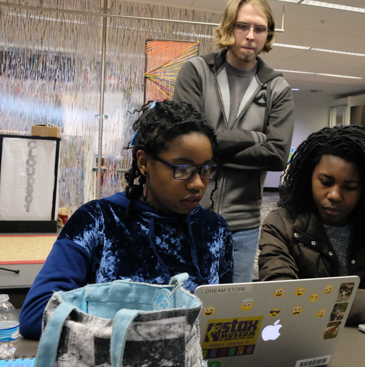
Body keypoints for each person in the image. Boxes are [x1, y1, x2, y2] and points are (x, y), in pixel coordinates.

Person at [20, 100, 233, 340]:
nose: (197, 183)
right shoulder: (96, 221)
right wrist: (139, 332)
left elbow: (223, 313)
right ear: (144, 163)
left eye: (206, 170)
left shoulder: (215, 230)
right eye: (182, 169)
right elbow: (36, 315)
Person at [172, 0, 294, 283]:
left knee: (232, 314)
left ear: (268, 34)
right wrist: (255, 138)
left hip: (243, 224)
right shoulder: (196, 72)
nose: (251, 35)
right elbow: (185, 140)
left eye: (259, 28)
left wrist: (211, 144)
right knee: (179, 302)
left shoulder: (277, 88)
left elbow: (277, 155)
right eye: (243, 26)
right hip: (188, 213)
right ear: (229, 27)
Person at [258, 125, 365, 326]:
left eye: (350, 187)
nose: (334, 195)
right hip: (304, 336)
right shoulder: (280, 225)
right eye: (325, 182)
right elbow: (283, 297)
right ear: (309, 178)